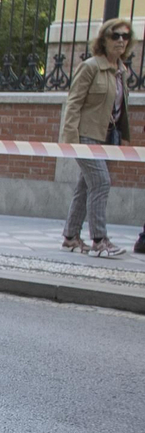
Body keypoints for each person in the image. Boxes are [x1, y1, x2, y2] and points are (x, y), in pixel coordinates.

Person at [59, 18, 133, 259]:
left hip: (107, 137)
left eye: (125, 36)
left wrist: (124, 137)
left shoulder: (121, 71)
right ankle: (99, 240)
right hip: (86, 136)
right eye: (115, 36)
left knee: (85, 186)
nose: (121, 40)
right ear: (104, 40)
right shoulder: (91, 66)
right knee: (101, 182)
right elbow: (74, 102)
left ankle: (71, 237)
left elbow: (120, 108)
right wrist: (71, 139)